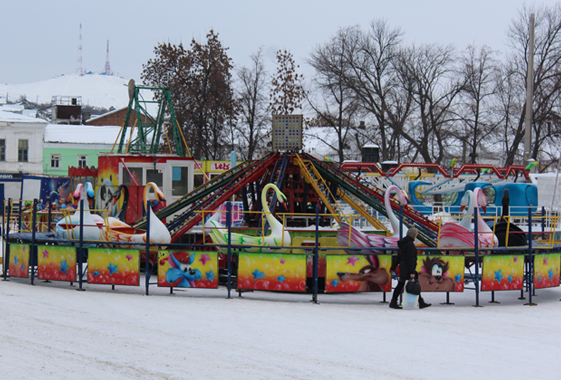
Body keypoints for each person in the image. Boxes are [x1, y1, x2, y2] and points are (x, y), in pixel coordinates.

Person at [389, 227, 431, 309]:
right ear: (413, 235)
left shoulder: (404, 244)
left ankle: (420, 301)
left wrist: (393, 267)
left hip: (403, 267)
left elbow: (398, 257)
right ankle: (394, 301)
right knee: (410, 284)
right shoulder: (410, 245)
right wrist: (412, 272)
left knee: (403, 284)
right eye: (416, 235)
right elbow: (411, 259)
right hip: (408, 269)